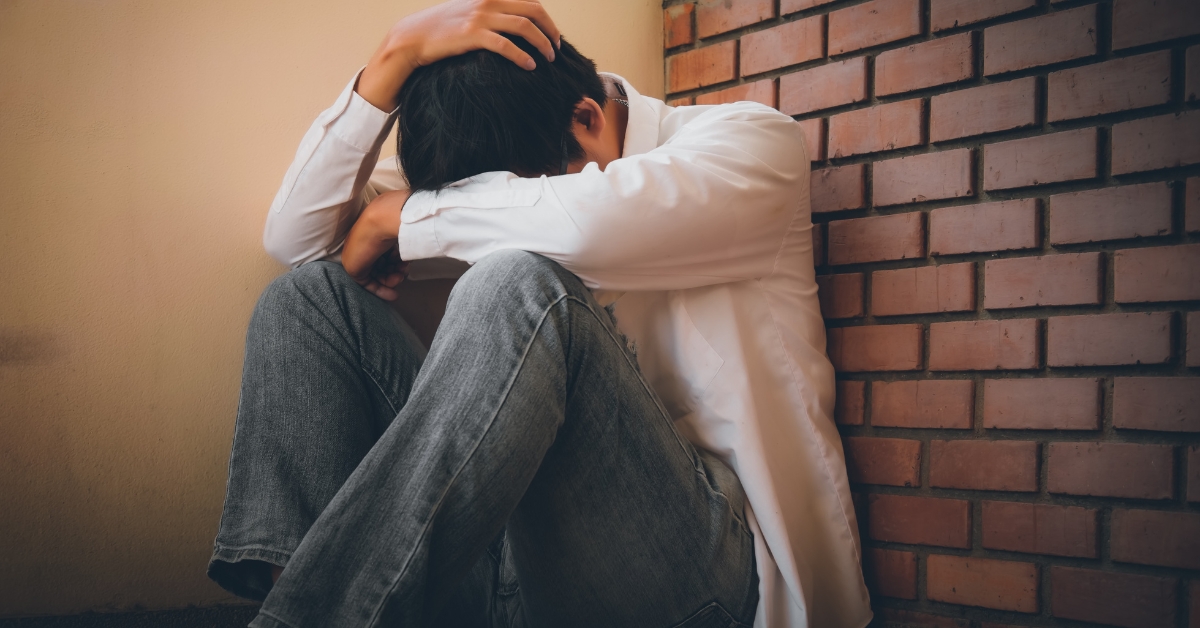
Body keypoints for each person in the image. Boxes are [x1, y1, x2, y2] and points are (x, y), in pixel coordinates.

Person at [207, 1, 870, 626]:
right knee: (307, 299)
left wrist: (404, 215)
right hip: (514, 569)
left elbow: (589, 228)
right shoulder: (509, 162)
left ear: (587, 117)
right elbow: (296, 241)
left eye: (500, 197)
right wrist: (393, 58)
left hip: (707, 579)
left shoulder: (749, 145)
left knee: (517, 280)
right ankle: (303, 602)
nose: (493, 208)